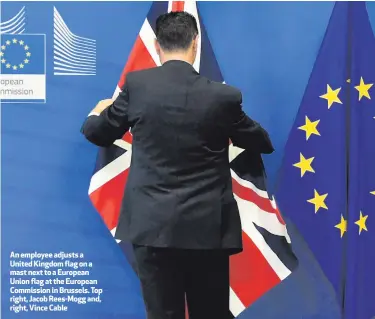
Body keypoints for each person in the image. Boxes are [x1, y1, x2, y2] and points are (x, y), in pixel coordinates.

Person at [81, 11, 273, 319]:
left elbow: (98, 133)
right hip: (208, 231)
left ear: (157, 46)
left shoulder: (137, 86)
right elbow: (262, 141)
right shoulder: (223, 97)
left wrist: (95, 112)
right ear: (195, 44)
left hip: (152, 228)